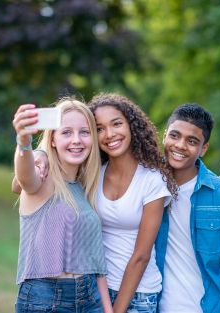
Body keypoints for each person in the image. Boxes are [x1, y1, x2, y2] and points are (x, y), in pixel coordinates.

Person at [12, 98, 112, 313]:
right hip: (46, 300)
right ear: (53, 139)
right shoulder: (43, 178)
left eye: (84, 132)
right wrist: (24, 142)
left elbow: (96, 265)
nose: (77, 140)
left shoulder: (84, 188)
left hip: (90, 297)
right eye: (66, 132)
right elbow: (25, 177)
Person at [88, 93, 177, 313]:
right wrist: (38, 154)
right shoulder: (92, 175)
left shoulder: (152, 180)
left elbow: (141, 256)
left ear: (131, 126)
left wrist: (117, 310)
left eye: (116, 124)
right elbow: (20, 185)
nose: (109, 134)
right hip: (96, 290)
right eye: (99, 128)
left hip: (139, 295)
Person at [155, 103, 220, 313]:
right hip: (157, 305)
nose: (180, 145)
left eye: (192, 141)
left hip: (211, 307)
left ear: (204, 148)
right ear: (164, 135)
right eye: (174, 136)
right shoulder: (148, 185)